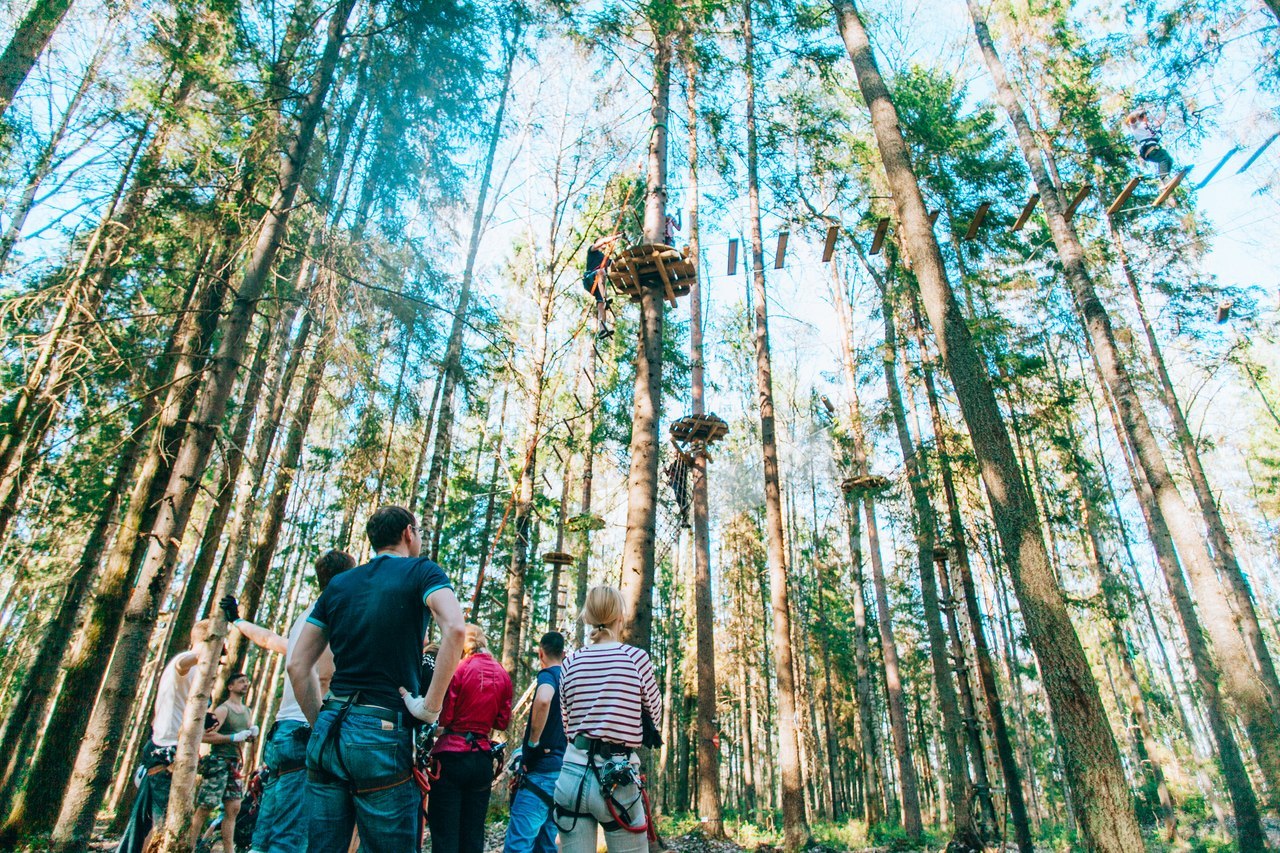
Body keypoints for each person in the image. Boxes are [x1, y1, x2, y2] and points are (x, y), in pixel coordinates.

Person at [289, 506, 465, 853]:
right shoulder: (422, 571)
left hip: (329, 731)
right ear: (408, 533)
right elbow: (456, 628)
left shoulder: (338, 584)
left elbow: (297, 665)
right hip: (383, 730)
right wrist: (431, 707)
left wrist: (321, 722)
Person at [222, 549, 356, 853]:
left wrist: (238, 621)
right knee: (290, 840)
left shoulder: (306, 618)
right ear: (349, 577)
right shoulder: (337, 615)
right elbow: (321, 674)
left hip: (281, 733)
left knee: (263, 837)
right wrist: (321, 726)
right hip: (306, 731)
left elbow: (272, 640)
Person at [553, 586, 662, 853]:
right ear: (619, 616)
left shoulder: (571, 661)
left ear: (588, 616)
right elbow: (655, 715)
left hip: (572, 777)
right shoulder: (636, 658)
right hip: (619, 777)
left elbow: (567, 723)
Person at [115, 619, 222, 853]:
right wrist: (205, 653)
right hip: (165, 754)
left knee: (140, 824)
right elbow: (181, 665)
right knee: (169, 828)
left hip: (164, 750)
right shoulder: (185, 662)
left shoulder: (202, 675)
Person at [427, 624, 513, 853]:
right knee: (473, 834)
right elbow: (502, 722)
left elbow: (446, 717)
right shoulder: (502, 674)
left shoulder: (459, 669)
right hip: (481, 760)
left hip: (452, 758)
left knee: (445, 833)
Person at [503, 632, 567, 853]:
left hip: (539, 774)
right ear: (564, 654)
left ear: (541, 653)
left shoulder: (548, 675)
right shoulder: (570, 680)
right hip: (561, 774)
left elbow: (543, 699)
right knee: (546, 845)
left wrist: (532, 744)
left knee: (518, 845)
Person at [195, 672, 259, 852]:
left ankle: (228, 850)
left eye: (247, 682)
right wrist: (231, 737)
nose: (245, 684)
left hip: (236, 764)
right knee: (206, 805)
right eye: (241, 682)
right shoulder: (223, 709)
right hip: (218, 762)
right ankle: (189, 846)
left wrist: (250, 735)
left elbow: (244, 737)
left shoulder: (246, 711)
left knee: (234, 809)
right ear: (230, 686)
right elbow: (206, 735)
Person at [582, 234, 621, 339]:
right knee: (602, 272)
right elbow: (601, 242)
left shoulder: (605, 258)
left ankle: (602, 329)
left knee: (601, 304)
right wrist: (614, 237)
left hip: (598, 283)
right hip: (589, 278)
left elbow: (615, 264)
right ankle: (604, 298)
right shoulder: (592, 250)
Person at [1124, 108, 1174, 178]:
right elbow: (1131, 118)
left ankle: (1166, 178)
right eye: (1144, 116)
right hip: (1149, 148)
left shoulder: (1149, 125)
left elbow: (1161, 120)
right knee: (1163, 158)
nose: (1146, 117)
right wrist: (1139, 112)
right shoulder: (1136, 126)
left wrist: (1164, 108)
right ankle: (1164, 178)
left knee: (1169, 160)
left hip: (1155, 147)